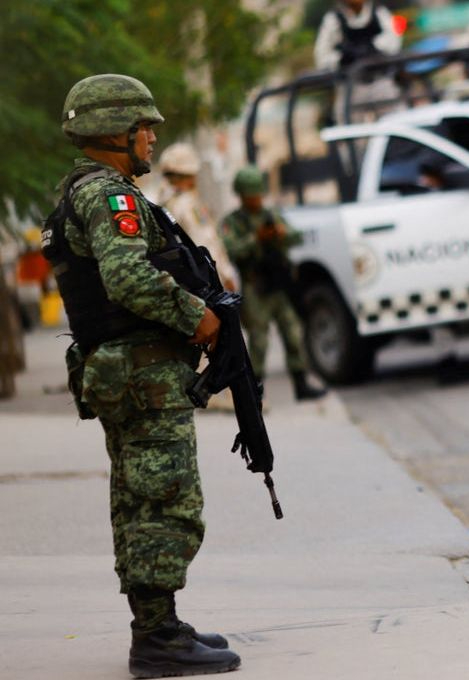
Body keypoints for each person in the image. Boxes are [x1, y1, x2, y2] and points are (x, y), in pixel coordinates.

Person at [49, 73, 240, 677]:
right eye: (143, 126)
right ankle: (157, 639)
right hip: (142, 373)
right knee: (165, 500)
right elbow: (127, 279)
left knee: (139, 499)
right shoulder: (110, 197)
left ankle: (160, 623)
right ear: (113, 132)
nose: (153, 136)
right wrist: (199, 318)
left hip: (126, 372)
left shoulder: (84, 191)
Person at [220, 167, 327, 401]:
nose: (256, 199)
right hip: (256, 285)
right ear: (242, 195)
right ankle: (255, 390)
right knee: (259, 340)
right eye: (251, 195)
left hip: (280, 284)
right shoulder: (233, 222)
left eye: (258, 194)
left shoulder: (272, 215)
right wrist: (255, 239)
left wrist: (280, 234)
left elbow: (296, 236)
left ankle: (301, 383)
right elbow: (231, 250)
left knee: (293, 333)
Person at [158, 143, 237, 292]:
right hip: (207, 281)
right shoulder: (188, 204)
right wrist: (225, 276)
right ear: (190, 175)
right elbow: (204, 243)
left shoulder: (163, 203)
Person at [313, 0, 402, 71]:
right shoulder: (332, 19)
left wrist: (373, 49)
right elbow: (322, 57)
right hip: (349, 83)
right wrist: (342, 58)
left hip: (382, 77)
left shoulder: (380, 12)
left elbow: (394, 43)